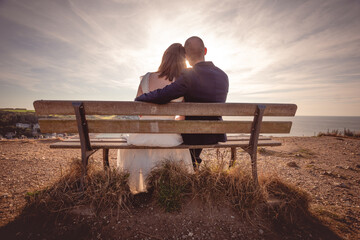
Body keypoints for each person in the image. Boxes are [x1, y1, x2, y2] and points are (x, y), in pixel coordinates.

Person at [135, 36, 229, 170]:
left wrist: (141, 98)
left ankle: (188, 166)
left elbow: (163, 95)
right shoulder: (223, 75)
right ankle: (193, 164)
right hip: (215, 133)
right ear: (205, 51)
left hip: (192, 135)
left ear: (185, 55)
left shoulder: (189, 75)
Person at [117, 43, 194, 194]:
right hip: (168, 138)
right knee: (174, 139)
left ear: (164, 58)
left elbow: (138, 112)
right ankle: (167, 185)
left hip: (141, 136)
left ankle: (141, 186)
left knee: (138, 139)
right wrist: (169, 123)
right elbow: (182, 117)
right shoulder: (181, 83)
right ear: (183, 60)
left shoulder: (146, 78)